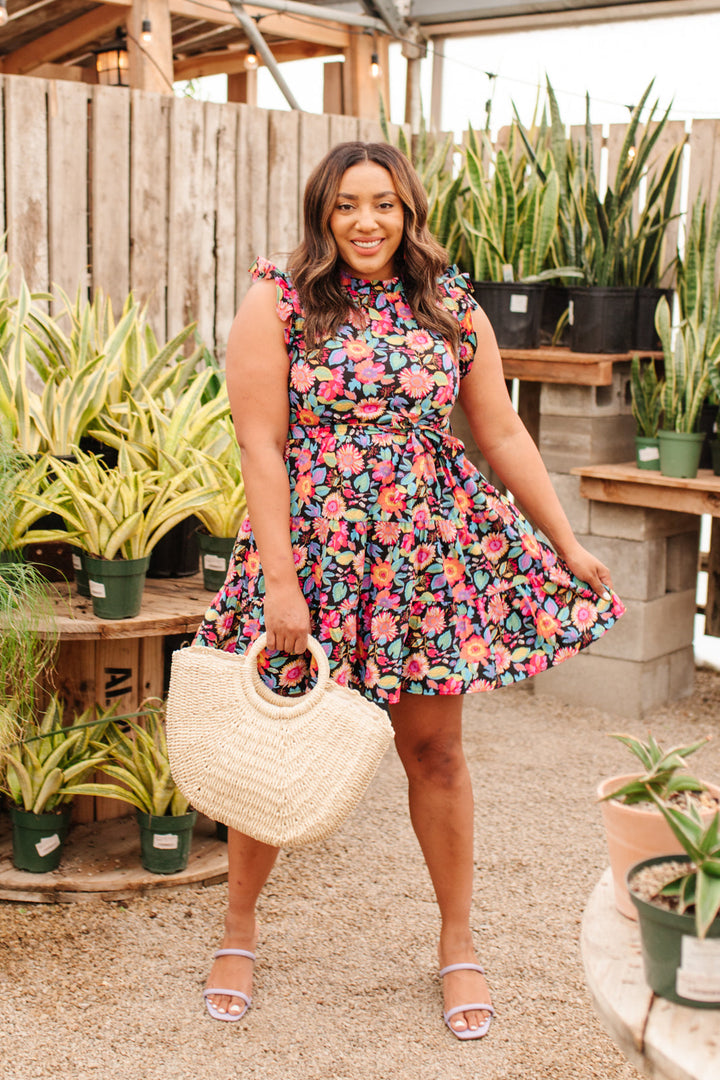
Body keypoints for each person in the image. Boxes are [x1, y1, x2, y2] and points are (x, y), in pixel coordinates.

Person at [195, 141, 624, 1039]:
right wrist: (281, 584)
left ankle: (457, 943)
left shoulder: (449, 302)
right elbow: (259, 447)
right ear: (323, 213)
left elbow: (500, 432)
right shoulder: (277, 299)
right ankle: (239, 927)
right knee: (279, 741)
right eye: (347, 205)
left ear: (408, 211)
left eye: (384, 204)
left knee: (435, 754)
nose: (366, 222)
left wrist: (566, 539)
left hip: (422, 564)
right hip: (310, 555)